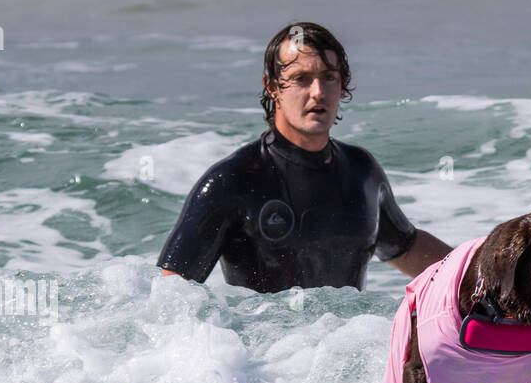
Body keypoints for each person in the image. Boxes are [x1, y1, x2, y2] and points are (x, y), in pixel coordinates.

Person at [157, 22, 451, 291]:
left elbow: (406, 247)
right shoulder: (233, 180)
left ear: (342, 85)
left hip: (342, 343)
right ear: (273, 88)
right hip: (266, 349)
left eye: (329, 77)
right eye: (301, 79)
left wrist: (479, 277)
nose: (318, 92)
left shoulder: (361, 173)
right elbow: (171, 295)